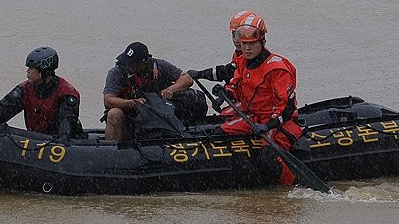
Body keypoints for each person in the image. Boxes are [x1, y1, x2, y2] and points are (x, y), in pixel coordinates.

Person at [174, 15, 303, 185]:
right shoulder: (242, 61)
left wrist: (267, 126)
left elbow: (286, 108)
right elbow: (236, 84)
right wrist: (225, 91)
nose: (247, 48)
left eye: (251, 44)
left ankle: (290, 188)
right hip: (252, 117)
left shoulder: (277, 69)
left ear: (262, 42)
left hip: (278, 122)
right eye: (244, 44)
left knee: (268, 158)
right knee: (218, 133)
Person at [0, 47, 83, 138]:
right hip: (37, 141)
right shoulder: (24, 90)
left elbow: (66, 133)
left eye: (31, 68)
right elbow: (0, 112)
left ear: (43, 72)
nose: (27, 72)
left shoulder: (66, 94)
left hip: (58, 145)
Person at [102, 41, 207, 143]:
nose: (128, 66)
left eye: (132, 64)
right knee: (114, 113)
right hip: (131, 115)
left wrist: (169, 90)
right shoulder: (116, 72)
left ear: (143, 63)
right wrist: (132, 103)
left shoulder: (158, 66)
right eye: (127, 62)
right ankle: (112, 150)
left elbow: (187, 78)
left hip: (155, 114)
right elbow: (108, 100)